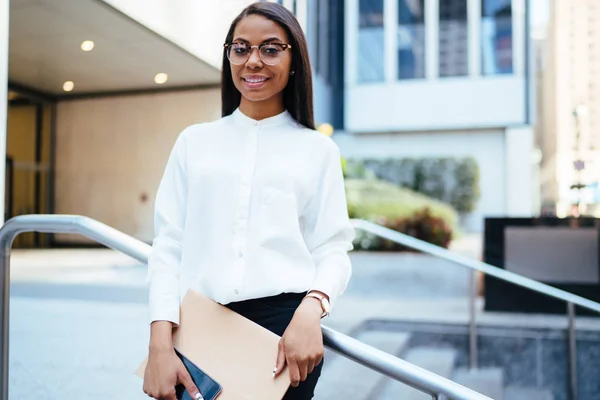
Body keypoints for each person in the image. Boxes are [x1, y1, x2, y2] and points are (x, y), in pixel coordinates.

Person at [142, 2, 354, 400]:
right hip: (198, 330)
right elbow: (168, 246)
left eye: (271, 49)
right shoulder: (194, 142)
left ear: (294, 61)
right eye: (241, 48)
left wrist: (312, 311)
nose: (253, 61)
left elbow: (333, 248)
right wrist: (159, 342)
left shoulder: (317, 150)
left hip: (282, 336)